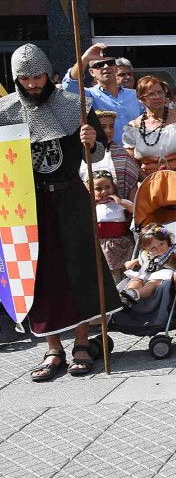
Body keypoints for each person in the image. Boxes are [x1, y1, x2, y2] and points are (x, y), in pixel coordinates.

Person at [1, 43, 120, 381]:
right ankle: (52, 348)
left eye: (37, 76)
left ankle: (82, 344)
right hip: (27, 206)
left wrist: (91, 141)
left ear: (48, 73)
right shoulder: (5, 111)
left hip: (70, 199)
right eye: (25, 79)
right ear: (16, 79)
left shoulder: (75, 105)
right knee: (40, 275)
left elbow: (97, 158)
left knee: (78, 270)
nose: (33, 84)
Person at [63, 46, 142, 138]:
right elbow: (69, 86)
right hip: (105, 151)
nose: (106, 67)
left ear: (116, 68)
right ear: (92, 72)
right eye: (99, 65)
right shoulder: (89, 96)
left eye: (110, 63)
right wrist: (84, 58)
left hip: (136, 150)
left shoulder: (134, 95)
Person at [124, 76, 176, 174]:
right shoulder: (133, 127)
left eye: (160, 92)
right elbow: (132, 163)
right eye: (151, 94)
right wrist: (147, 180)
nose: (157, 97)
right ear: (141, 99)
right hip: (148, 180)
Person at [120, 226, 176, 306]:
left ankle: (137, 294)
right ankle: (127, 296)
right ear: (145, 248)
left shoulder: (172, 252)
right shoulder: (146, 254)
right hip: (145, 275)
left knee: (152, 284)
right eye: (153, 248)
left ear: (167, 240)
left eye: (161, 244)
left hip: (161, 277)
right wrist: (134, 261)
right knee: (135, 281)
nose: (158, 249)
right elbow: (143, 262)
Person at [81, 110, 140, 201]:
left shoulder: (122, 155)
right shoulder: (81, 154)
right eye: (103, 127)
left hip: (119, 209)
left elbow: (132, 185)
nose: (108, 131)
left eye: (111, 126)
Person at [93, 171, 135, 285]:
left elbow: (136, 209)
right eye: (98, 189)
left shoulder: (118, 203)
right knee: (112, 274)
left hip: (122, 244)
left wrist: (121, 202)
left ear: (114, 187)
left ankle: (127, 290)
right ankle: (115, 294)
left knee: (127, 271)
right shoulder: (93, 206)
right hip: (104, 245)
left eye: (107, 187)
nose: (104, 192)